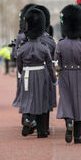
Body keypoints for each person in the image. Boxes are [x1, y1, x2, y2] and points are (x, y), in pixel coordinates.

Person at [55, 4, 81, 144]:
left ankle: (68, 123)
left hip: (64, 74)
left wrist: (56, 76)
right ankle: (77, 137)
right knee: (79, 104)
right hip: (79, 75)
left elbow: (56, 63)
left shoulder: (60, 45)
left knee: (66, 101)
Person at [17, 8, 57, 138]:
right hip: (42, 74)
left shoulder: (22, 45)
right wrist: (53, 78)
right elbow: (51, 63)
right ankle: (42, 130)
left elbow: (19, 64)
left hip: (27, 74)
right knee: (42, 100)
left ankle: (28, 119)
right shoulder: (46, 44)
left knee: (28, 99)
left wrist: (22, 73)